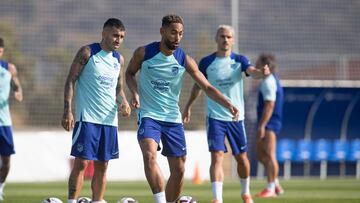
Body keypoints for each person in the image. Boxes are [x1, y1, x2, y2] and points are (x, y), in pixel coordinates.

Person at [125, 14, 239, 203]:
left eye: (180, 34)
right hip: (149, 115)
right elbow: (129, 73)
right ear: (162, 32)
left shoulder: (184, 59)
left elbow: (208, 87)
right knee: (149, 155)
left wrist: (228, 104)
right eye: (173, 33)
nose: (177, 38)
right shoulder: (144, 53)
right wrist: (135, 93)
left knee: (179, 170)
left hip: (172, 119)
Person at [182, 25, 270, 203]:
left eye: (229, 37)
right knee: (217, 156)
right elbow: (199, 86)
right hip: (215, 118)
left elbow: (252, 72)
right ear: (217, 38)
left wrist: (261, 73)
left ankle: (245, 192)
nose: (225, 40)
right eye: (222, 36)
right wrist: (188, 106)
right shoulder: (206, 62)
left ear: (233, 40)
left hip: (236, 118)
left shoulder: (240, 60)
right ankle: (217, 198)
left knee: (242, 158)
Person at [61, 18, 131, 203]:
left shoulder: (119, 60)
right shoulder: (88, 52)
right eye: (115, 35)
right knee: (82, 163)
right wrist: (68, 110)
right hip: (87, 118)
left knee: (103, 165)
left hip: (109, 121)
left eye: (122, 37)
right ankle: (72, 201)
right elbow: (70, 80)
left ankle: (98, 201)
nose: (118, 40)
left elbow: (118, 88)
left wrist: (124, 102)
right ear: (104, 33)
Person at [255, 53, 284, 198]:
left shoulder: (268, 81)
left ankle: (271, 188)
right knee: (261, 155)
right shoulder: (271, 80)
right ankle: (276, 184)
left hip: (270, 122)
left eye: (258, 63)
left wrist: (262, 125)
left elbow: (270, 105)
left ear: (265, 65)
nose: (256, 65)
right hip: (269, 122)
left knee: (270, 155)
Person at [0, 37, 23, 201]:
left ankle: (0, 185)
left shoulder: (9, 68)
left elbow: (16, 84)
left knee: (6, 160)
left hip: (4, 122)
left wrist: (17, 91)